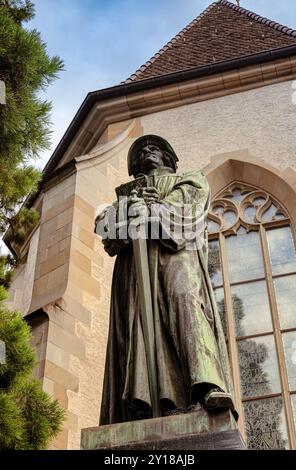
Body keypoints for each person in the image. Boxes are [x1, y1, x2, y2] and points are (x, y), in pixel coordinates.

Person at [95, 135, 237, 424]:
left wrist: (149, 209)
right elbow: (106, 233)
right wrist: (126, 210)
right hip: (134, 269)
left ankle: (207, 385)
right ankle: (143, 403)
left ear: (168, 157)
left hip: (176, 255)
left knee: (185, 300)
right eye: (142, 151)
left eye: (154, 148)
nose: (148, 152)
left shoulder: (189, 180)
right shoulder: (124, 196)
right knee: (138, 326)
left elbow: (188, 211)